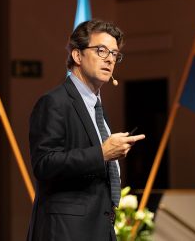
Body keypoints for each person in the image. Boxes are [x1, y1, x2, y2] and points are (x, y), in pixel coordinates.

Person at [27, 19, 146, 241]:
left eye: (114, 54)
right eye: (101, 51)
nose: (110, 59)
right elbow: (43, 164)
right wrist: (101, 154)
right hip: (65, 232)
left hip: (98, 229)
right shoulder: (54, 102)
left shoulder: (96, 107)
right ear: (77, 55)